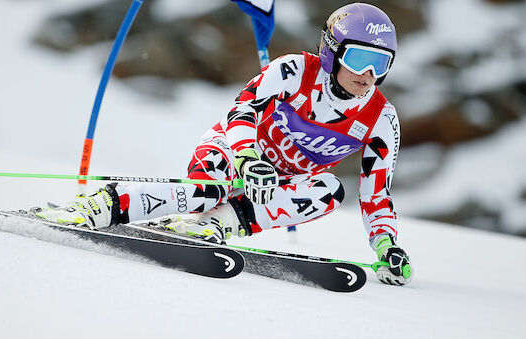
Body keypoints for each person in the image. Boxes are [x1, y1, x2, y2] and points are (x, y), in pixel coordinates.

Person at [38, 3, 412, 286]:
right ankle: (100, 206)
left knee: (330, 191)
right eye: (360, 58)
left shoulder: (381, 118)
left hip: (276, 184)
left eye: (381, 64)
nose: (368, 75)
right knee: (208, 189)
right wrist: (248, 159)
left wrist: (385, 246)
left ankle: (216, 225)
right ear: (332, 51)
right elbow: (243, 112)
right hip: (234, 151)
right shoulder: (294, 70)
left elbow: (376, 192)